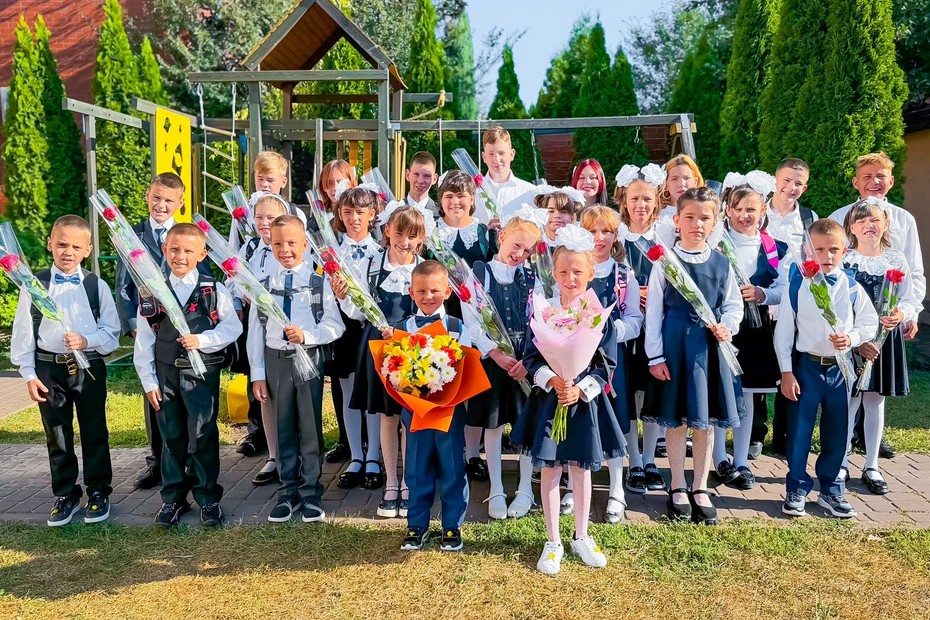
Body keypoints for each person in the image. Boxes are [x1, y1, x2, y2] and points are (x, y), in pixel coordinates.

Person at [511, 224, 624, 575]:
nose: (570, 278)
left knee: (581, 470)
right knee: (550, 468)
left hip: (584, 404)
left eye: (578, 271)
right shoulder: (543, 313)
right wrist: (552, 379)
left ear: (590, 272)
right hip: (550, 402)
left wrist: (581, 387)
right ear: (553, 274)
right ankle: (553, 541)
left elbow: (608, 364)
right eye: (563, 272)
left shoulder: (598, 313)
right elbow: (531, 359)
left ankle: (581, 535)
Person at [11, 216, 120, 526]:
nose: (67, 251)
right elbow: (23, 333)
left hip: (89, 367)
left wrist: (88, 340)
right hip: (49, 368)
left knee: (94, 430)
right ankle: (66, 494)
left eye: (75, 246)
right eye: (61, 244)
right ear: (50, 244)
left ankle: (98, 492)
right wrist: (29, 374)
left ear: (87, 249)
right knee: (56, 432)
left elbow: (112, 332)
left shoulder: (95, 285)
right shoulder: (35, 284)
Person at [645, 187, 745, 526]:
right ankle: (676, 483)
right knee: (677, 420)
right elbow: (654, 311)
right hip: (674, 346)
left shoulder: (721, 262)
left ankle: (700, 486)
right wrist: (655, 356)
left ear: (715, 221)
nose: (696, 224)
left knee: (704, 420)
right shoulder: (665, 262)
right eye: (689, 217)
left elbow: (733, 303)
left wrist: (728, 325)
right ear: (676, 220)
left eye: (704, 218)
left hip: (707, 349)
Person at [133, 223, 242, 527]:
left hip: (200, 375)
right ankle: (172, 499)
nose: (180, 255)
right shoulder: (151, 292)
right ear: (164, 250)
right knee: (171, 437)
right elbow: (145, 340)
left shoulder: (212, 288)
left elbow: (232, 328)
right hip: (166, 376)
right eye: (174, 249)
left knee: (203, 434)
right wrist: (149, 381)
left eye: (188, 250)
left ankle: (207, 497)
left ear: (202, 254)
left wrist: (203, 340)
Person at [774, 218, 878, 518]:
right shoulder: (798, 285)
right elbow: (784, 332)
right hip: (806, 368)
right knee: (799, 430)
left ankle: (831, 489)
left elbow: (868, 323)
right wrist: (786, 371)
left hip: (840, 370)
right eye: (820, 249)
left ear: (845, 250)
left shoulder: (853, 287)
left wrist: (853, 338)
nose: (827, 256)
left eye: (834, 249)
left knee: (837, 430)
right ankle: (796, 487)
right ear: (809, 250)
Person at [115, 172, 211, 491]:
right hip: (151, 331)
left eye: (169, 200)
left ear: (180, 203)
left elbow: (206, 278)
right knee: (156, 400)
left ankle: (189, 461)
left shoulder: (190, 236)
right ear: (147, 195)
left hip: (187, 333)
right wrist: (132, 325)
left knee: (188, 400)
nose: (161, 204)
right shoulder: (132, 236)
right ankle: (158, 462)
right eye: (156, 197)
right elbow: (124, 287)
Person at [333, 204, 429, 519]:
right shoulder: (372, 264)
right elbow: (356, 310)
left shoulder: (425, 268)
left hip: (415, 352)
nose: (405, 241)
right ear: (387, 231)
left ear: (421, 239)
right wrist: (343, 295)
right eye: (399, 233)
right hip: (379, 350)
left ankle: (412, 484)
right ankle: (392, 483)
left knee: (412, 420)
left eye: (412, 236)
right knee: (388, 417)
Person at [249, 215, 345, 523]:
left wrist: (308, 336)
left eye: (292, 243)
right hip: (275, 360)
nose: (285, 249)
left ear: (305, 244)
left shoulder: (318, 281)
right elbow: (255, 332)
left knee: (309, 424)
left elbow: (335, 324)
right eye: (278, 243)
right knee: (283, 423)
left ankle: (311, 490)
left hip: (309, 359)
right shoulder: (263, 285)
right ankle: (287, 490)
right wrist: (258, 373)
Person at [829, 152, 925, 459]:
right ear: (857, 182)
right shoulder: (839, 216)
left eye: (881, 176)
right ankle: (842, 455)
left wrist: (910, 312)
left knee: (874, 394)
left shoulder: (904, 220)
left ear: (891, 181)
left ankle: (870, 454)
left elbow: (914, 271)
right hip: (853, 324)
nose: (875, 182)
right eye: (867, 176)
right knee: (850, 394)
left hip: (887, 324)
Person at [464, 208, 544, 519]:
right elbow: (471, 322)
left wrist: (529, 359)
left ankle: (525, 488)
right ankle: (496, 486)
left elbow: (541, 320)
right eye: (516, 245)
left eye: (526, 251)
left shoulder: (532, 278)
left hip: (525, 363)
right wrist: (494, 352)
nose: (519, 254)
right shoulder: (478, 273)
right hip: (494, 363)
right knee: (493, 425)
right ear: (502, 237)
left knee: (525, 426)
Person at [712, 174, 788, 490]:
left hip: (757, 331)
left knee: (745, 396)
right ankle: (718, 457)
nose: (745, 215)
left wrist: (762, 294)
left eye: (752, 209)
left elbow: (784, 287)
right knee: (720, 393)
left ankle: (741, 459)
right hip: (722, 329)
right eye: (738, 208)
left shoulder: (775, 247)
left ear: (763, 212)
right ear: (727, 210)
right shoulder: (715, 244)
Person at [841, 199, 920, 494]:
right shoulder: (846, 259)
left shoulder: (896, 260)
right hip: (854, 342)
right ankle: (842, 461)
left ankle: (871, 465)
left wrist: (900, 314)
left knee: (875, 401)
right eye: (861, 221)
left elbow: (909, 298)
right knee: (850, 401)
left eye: (874, 220)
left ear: (886, 224)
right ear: (851, 227)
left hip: (884, 340)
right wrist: (855, 338)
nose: (868, 226)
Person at [398, 260, 473, 551]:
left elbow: (466, 367)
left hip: (449, 411)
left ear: (448, 292)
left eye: (435, 290)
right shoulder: (402, 327)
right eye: (421, 291)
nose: (428, 296)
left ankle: (452, 526)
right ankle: (417, 525)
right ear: (411, 293)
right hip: (415, 411)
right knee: (416, 468)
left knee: (452, 466)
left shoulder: (457, 327)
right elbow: (395, 371)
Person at [580, 206, 643, 523]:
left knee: (616, 421)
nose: (599, 238)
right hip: (577, 359)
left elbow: (635, 319)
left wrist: (609, 329)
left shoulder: (623, 274)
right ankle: (576, 487)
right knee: (581, 419)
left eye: (606, 231)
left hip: (612, 362)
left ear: (616, 235)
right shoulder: (574, 268)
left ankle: (617, 488)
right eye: (592, 231)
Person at [614, 163, 668, 493]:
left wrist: (656, 294)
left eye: (647, 199)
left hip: (657, 328)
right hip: (628, 329)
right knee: (629, 393)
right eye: (635, 199)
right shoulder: (618, 239)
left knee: (651, 394)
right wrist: (635, 294)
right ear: (624, 202)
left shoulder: (665, 239)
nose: (641, 205)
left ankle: (649, 458)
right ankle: (633, 459)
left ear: (656, 203)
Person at [231, 193, 291, 486]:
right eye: (260, 217)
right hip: (261, 329)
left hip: (291, 334)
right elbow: (235, 281)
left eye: (271, 217)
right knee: (265, 393)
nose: (265, 223)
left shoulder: (293, 247)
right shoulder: (250, 247)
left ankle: (297, 455)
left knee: (294, 399)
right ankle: (274, 456)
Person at [329, 188, 385, 491]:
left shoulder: (380, 253)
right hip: (342, 328)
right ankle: (356, 455)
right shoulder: (330, 253)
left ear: (372, 215)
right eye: (347, 212)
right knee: (348, 388)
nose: (353, 218)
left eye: (360, 212)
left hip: (372, 328)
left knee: (371, 390)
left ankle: (374, 456)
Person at [764, 158, 817, 457]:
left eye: (797, 183)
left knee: (792, 367)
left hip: (794, 302)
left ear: (805, 187)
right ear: (775, 180)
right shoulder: (759, 214)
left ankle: (783, 434)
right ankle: (757, 431)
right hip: (761, 301)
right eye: (786, 180)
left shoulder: (808, 218)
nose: (791, 187)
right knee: (760, 366)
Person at [317, 159, 359, 465]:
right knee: (341, 379)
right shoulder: (323, 226)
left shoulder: (365, 216)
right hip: (337, 314)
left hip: (366, 317)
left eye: (340, 182)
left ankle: (366, 443)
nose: (335, 189)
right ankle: (346, 439)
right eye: (329, 184)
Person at [476, 126, 535, 224]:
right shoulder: (474, 192)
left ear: (512, 154)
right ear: (484, 157)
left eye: (501, 153)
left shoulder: (529, 192)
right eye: (491, 154)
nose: (496, 159)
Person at [657, 155, 704, 220]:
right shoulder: (657, 215)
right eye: (674, 179)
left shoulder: (704, 211)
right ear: (666, 184)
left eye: (686, 178)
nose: (681, 184)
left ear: (695, 182)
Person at [405, 151, 440, 218]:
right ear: (407, 175)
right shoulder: (393, 211)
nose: (420, 181)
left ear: (434, 179)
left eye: (427, 176)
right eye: (416, 174)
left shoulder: (441, 214)